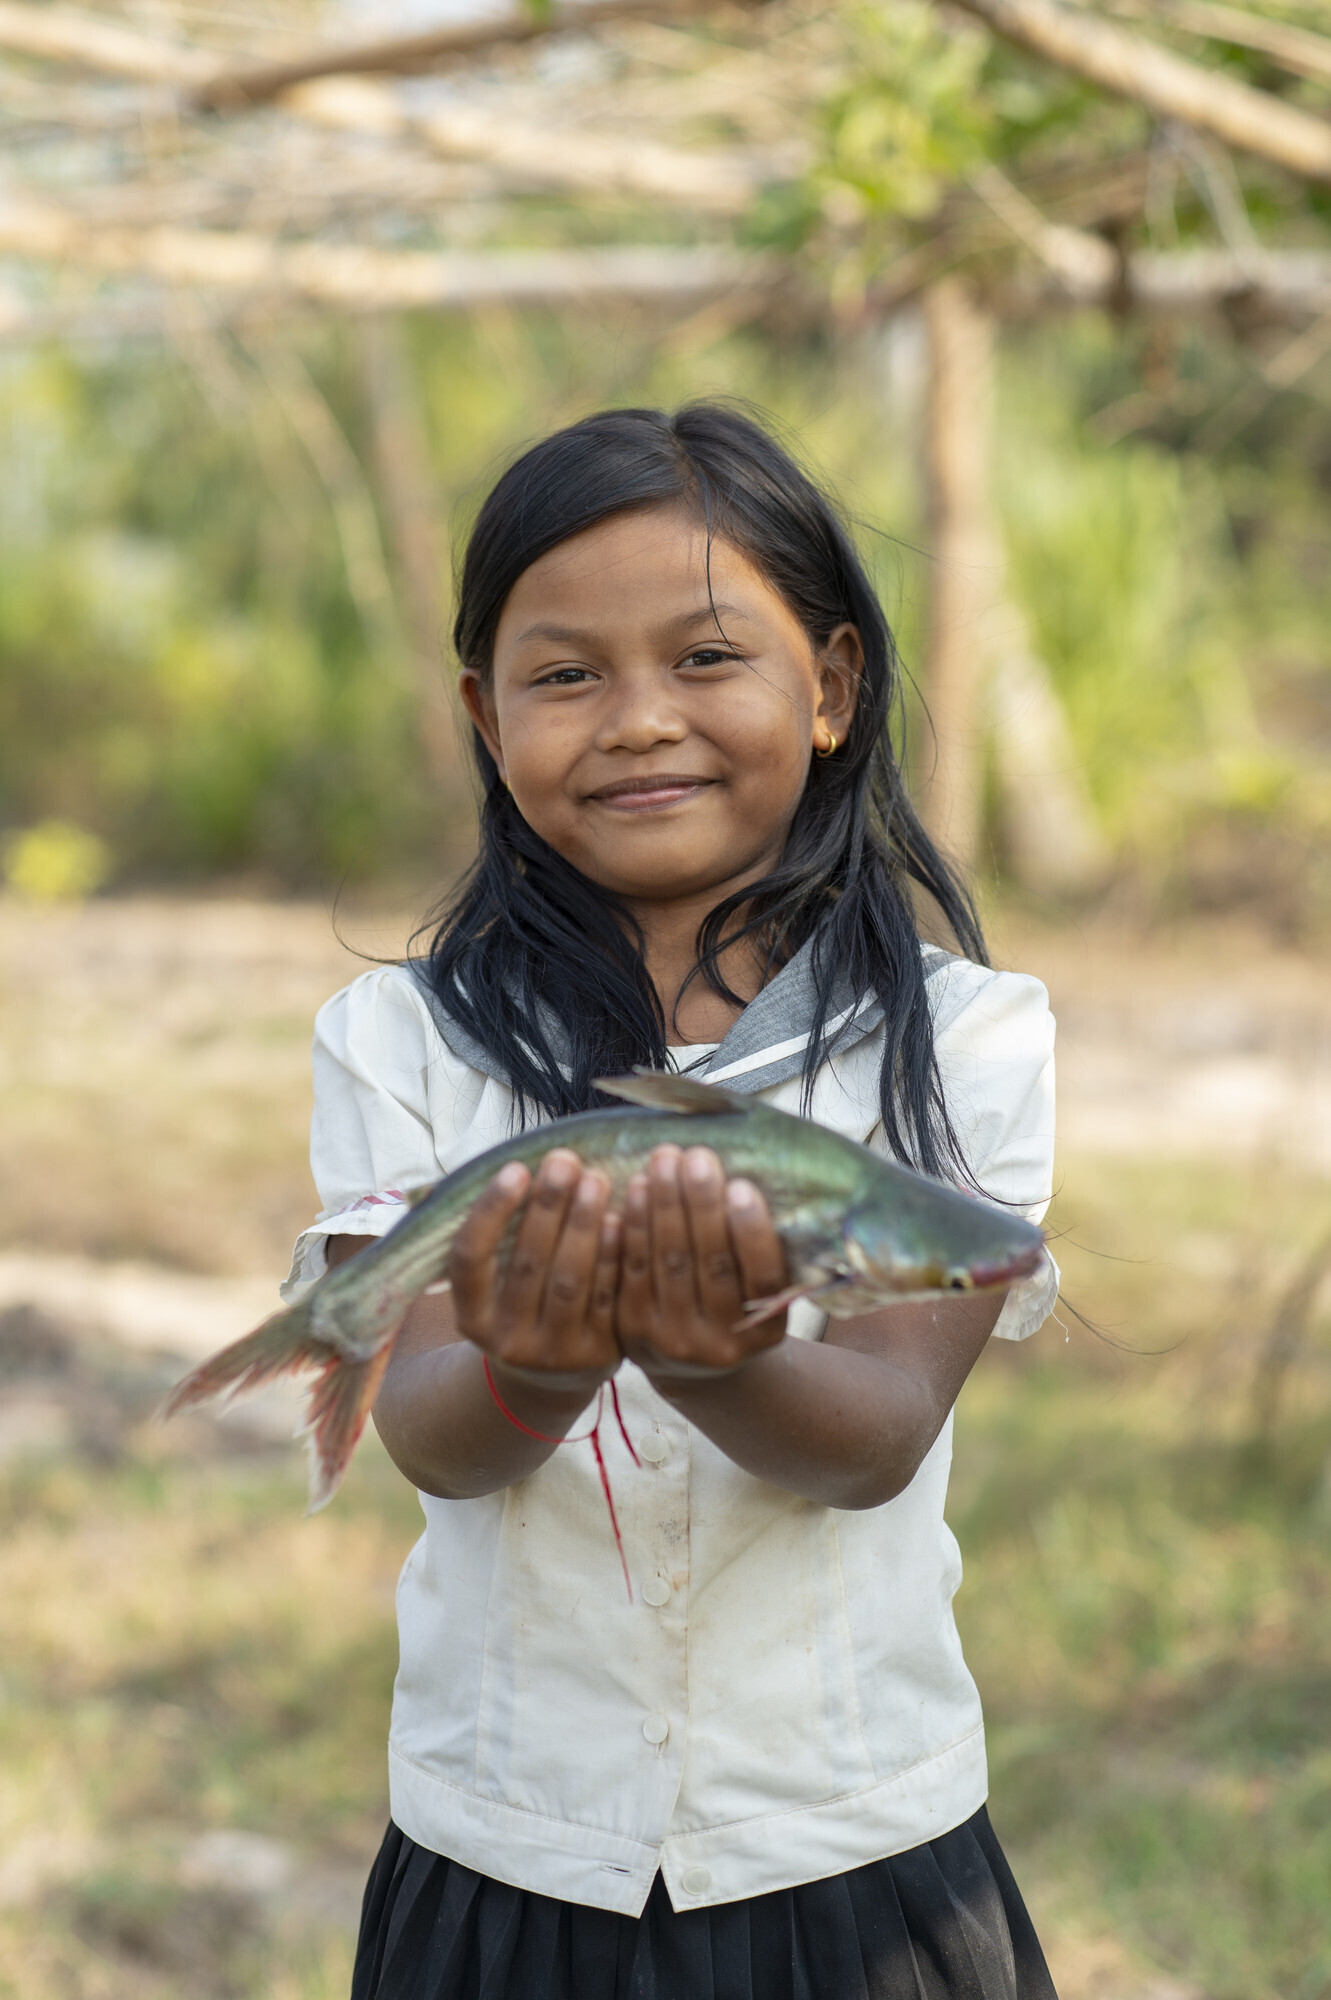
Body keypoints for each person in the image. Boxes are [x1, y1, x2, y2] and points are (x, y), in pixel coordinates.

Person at [284, 403, 1060, 2000]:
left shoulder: (970, 1040)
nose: (641, 720)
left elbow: (882, 1433)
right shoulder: (402, 1041)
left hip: (856, 1864)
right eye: (566, 674)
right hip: (507, 1863)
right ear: (485, 718)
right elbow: (436, 1432)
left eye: (708, 658)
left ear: (832, 686)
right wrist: (537, 1355)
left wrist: (714, 1356)